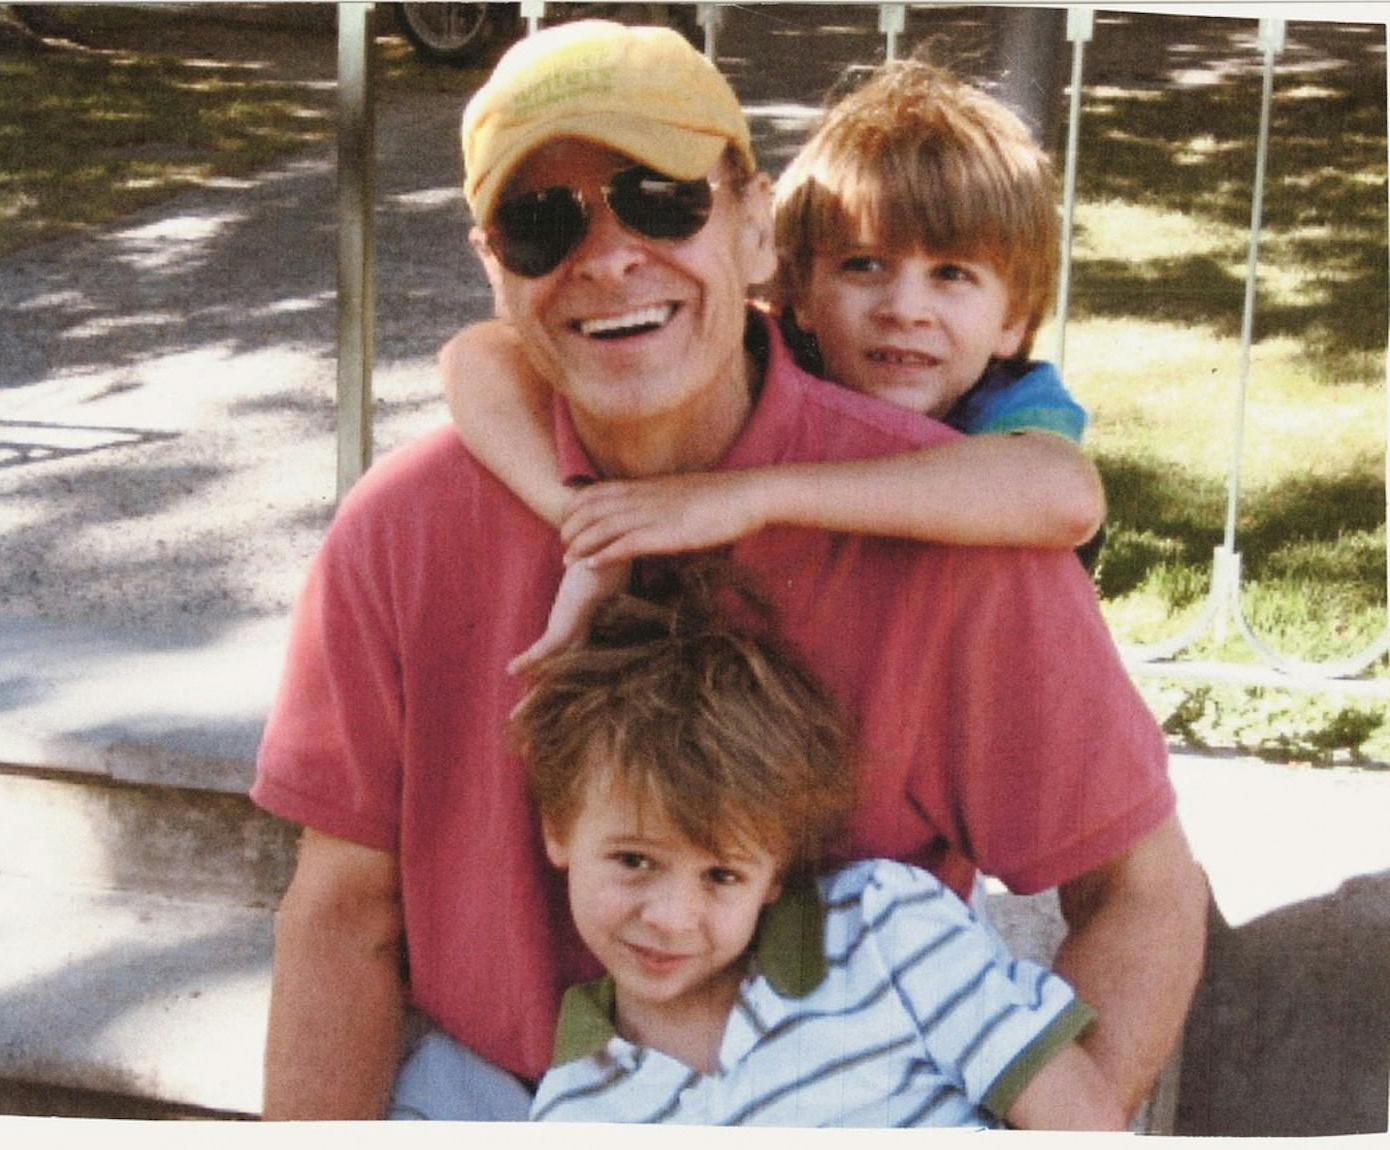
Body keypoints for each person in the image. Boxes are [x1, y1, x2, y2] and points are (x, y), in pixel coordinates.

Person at [251, 19, 1206, 1123]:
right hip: (501, 1098)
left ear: (755, 228)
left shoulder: (943, 524)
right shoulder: (401, 532)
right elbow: (339, 917)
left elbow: (1141, 891)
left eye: (660, 199)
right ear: (492, 269)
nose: (606, 255)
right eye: (538, 221)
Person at [441, 57, 1106, 672]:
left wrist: (750, 495)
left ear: (1014, 320)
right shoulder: (774, 353)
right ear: (797, 291)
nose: (906, 309)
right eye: (863, 265)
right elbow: (473, 357)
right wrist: (588, 525)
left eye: (952, 274)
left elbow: (1069, 497)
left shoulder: (1008, 403)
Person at [511, 566, 1125, 1129]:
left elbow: (1084, 1124)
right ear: (559, 827)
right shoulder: (571, 1109)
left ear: (777, 869)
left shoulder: (884, 927)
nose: (670, 918)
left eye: (722, 875)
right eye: (634, 860)